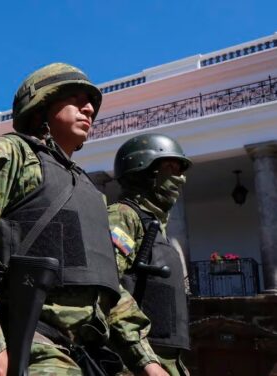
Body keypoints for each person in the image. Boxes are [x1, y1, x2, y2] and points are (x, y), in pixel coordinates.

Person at [0, 63, 167, 375]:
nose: (88, 109)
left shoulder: (90, 191)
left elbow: (108, 285)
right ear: (41, 106)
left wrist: (147, 361)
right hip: (26, 341)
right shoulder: (8, 154)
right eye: (74, 99)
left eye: (91, 104)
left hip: (86, 352)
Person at [107, 134, 192, 376]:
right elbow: (108, 287)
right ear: (143, 170)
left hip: (165, 360)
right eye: (171, 168)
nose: (181, 178)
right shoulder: (123, 216)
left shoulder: (156, 228)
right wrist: (145, 361)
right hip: (133, 363)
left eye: (181, 170)